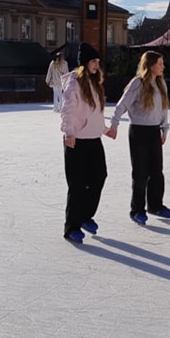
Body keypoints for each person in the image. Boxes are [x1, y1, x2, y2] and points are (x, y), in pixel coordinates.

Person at [108, 51, 170, 225]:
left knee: (157, 171)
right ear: (150, 65)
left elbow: (164, 110)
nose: (163, 67)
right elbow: (122, 105)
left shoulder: (161, 83)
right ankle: (137, 209)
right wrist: (114, 124)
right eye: (160, 63)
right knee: (140, 172)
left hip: (154, 131)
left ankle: (155, 205)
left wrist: (164, 129)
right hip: (138, 132)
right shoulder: (137, 83)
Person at [59, 43, 113, 243]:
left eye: (98, 61)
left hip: (94, 139)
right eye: (93, 61)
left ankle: (85, 216)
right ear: (84, 63)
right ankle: (71, 227)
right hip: (76, 140)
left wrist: (104, 129)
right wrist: (69, 132)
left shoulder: (95, 83)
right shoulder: (74, 83)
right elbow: (68, 109)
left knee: (99, 176)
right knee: (77, 185)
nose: (96, 64)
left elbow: (95, 113)